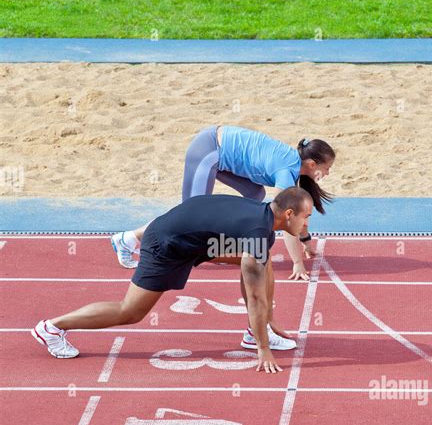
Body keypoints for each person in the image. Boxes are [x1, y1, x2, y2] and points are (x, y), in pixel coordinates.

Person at [32, 187, 314, 373]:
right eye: (306, 218)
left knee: (259, 263)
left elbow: (251, 267)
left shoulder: (261, 216)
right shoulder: (258, 233)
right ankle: (52, 328)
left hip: (194, 237)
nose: (306, 225)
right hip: (166, 244)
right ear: (288, 214)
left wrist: (268, 318)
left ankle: (255, 332)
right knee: (130, 312)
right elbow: (253, 297)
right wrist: (265, 351)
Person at [112, 125, 335, 281]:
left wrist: (306, 242)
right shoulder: (286, 171)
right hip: (209, 149)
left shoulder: (294, 166)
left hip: (221, 153)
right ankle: (128, 239)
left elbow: (297, 216)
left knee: (254, 196)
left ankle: (222, 246)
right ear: (312, 164)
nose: (328, 173)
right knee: (187, 218)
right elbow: (287, 220)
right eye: (326, 168)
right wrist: (297, 262)